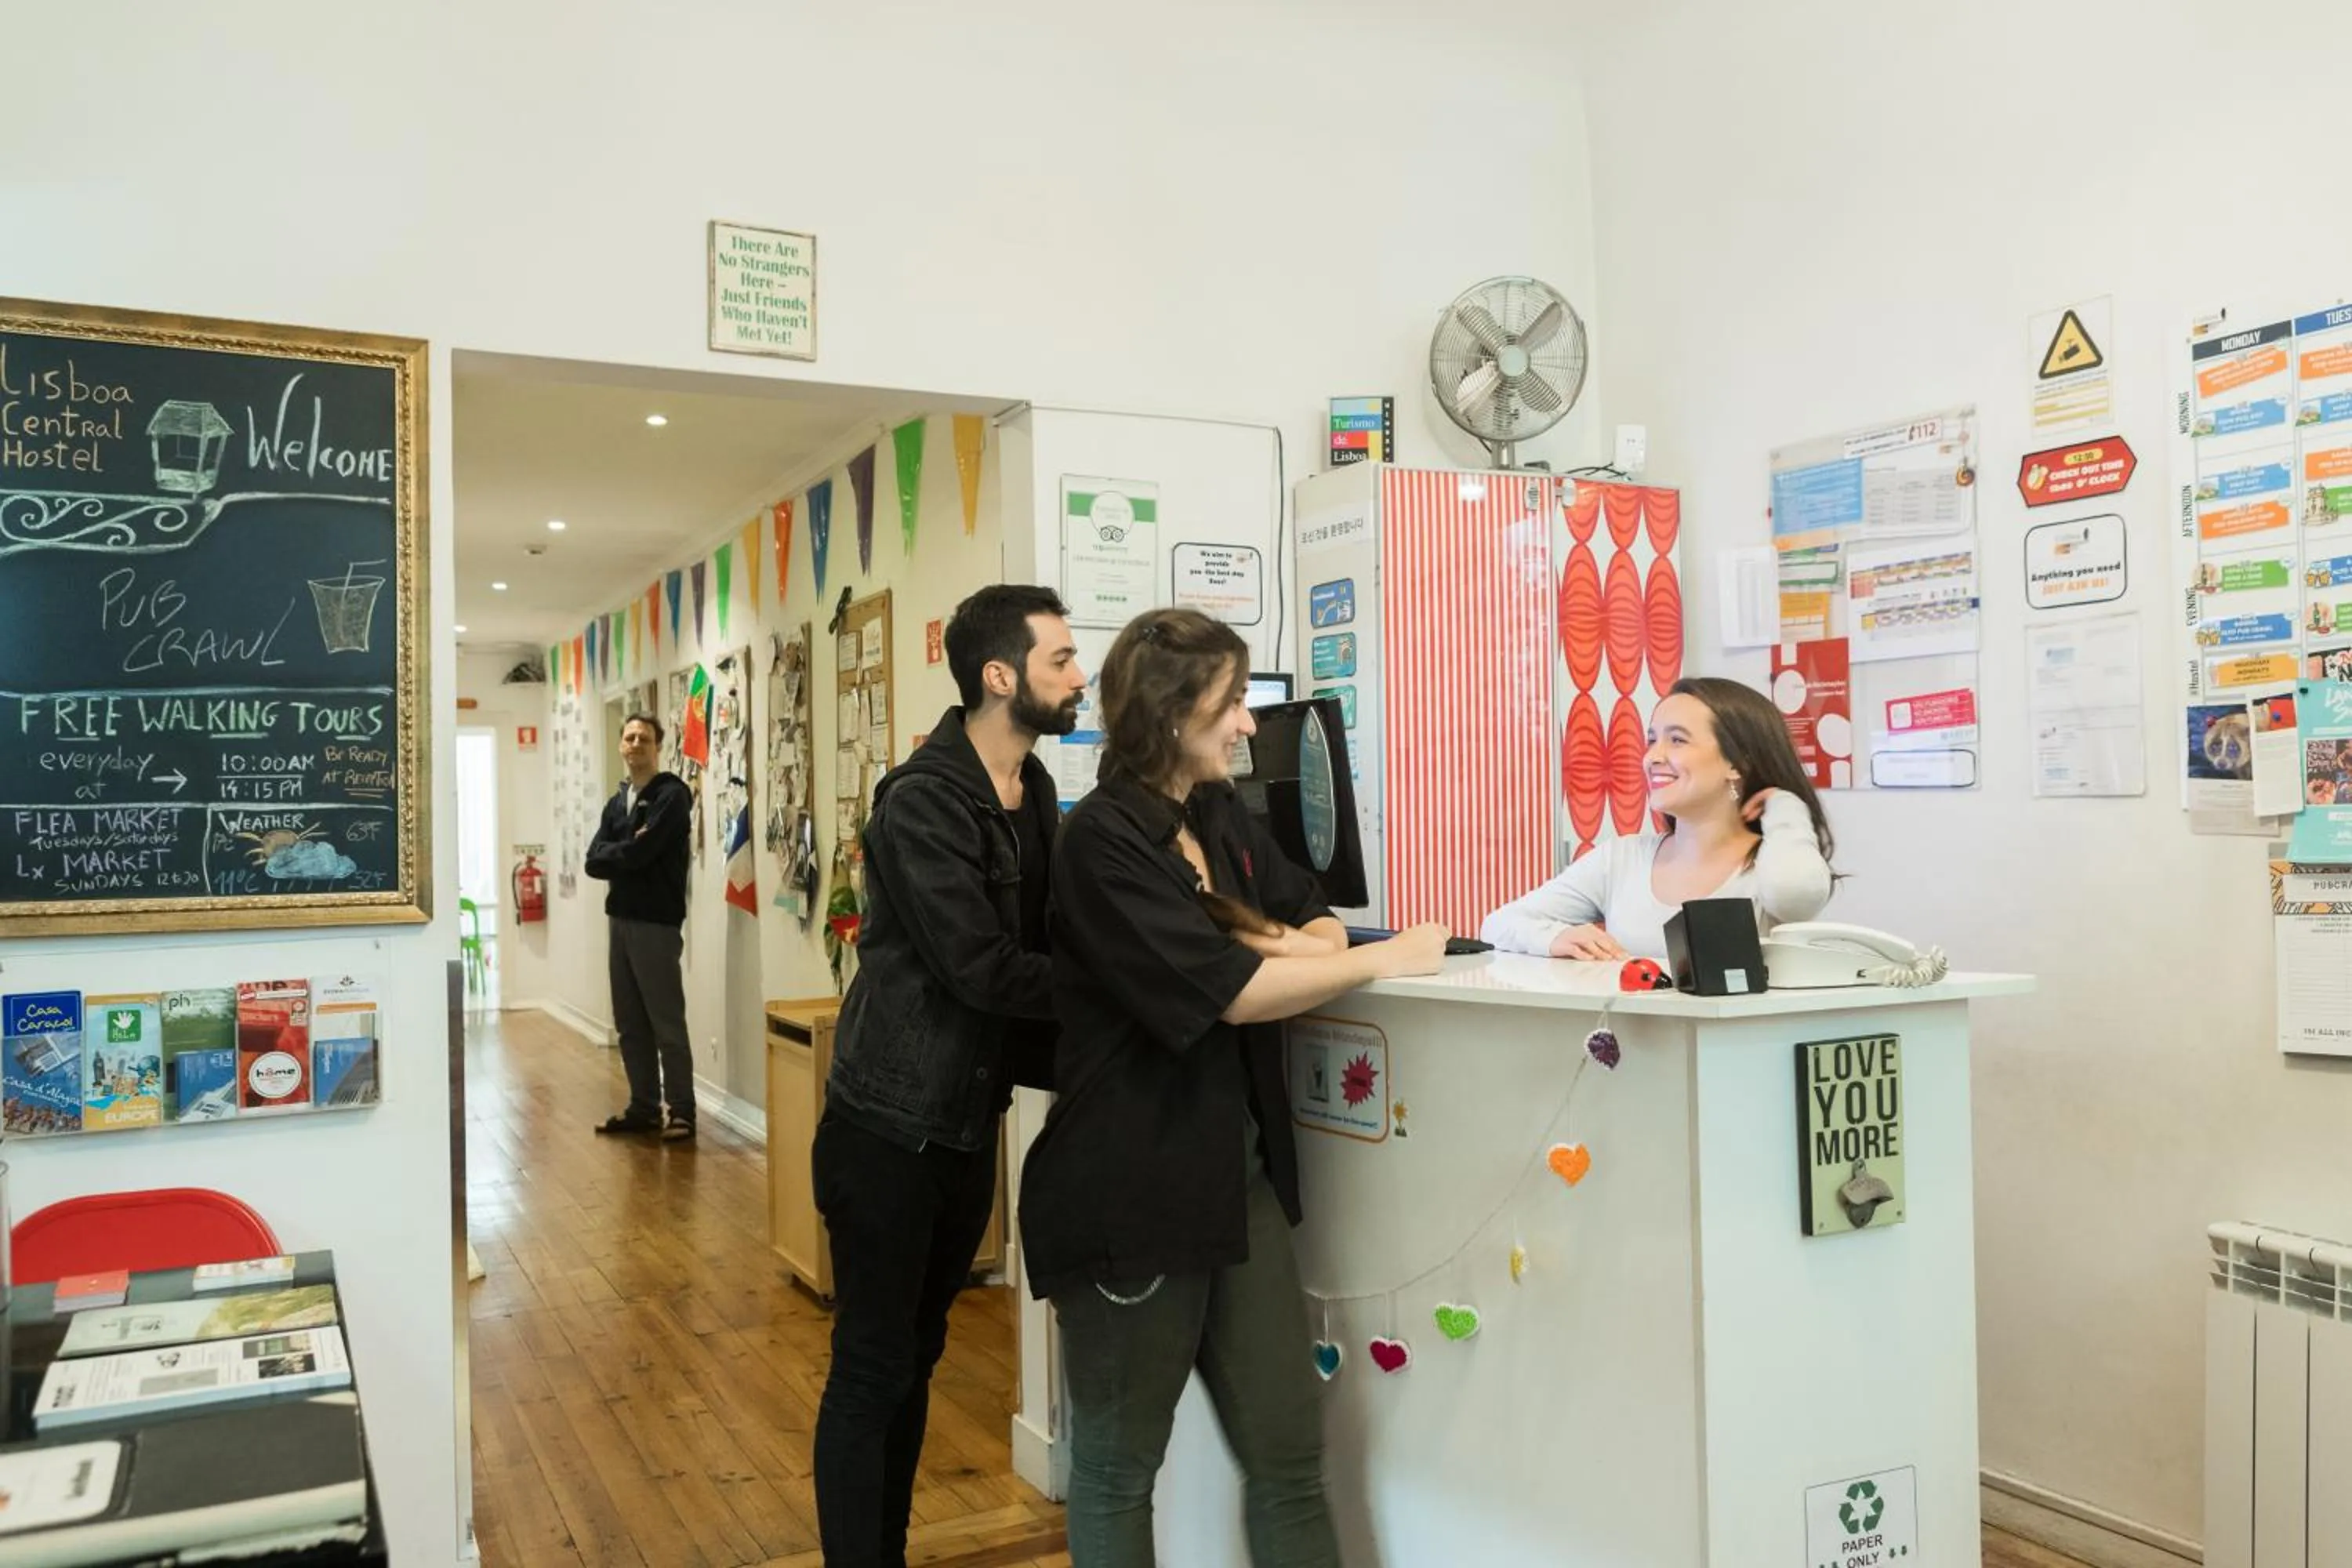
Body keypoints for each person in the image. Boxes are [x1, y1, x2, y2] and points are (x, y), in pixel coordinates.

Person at [1018, 608, 1446, 1568]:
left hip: (1237, 1185)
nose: (1252, 723)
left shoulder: (1215, 816)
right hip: (1128, 1197)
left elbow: (1319, 923)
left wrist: (1293, 944)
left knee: (1291, 1457)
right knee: (1120, 1467)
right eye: (1233, 702)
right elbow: (1237, 997)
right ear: (1174, 713)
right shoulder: (1102, 846)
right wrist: (1391, 961)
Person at [811, 583, 1087, 1568]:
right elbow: (983, 967)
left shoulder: (1038, 790)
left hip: (965, 1124)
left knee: (917, 1355)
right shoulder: (924, 801)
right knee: (873, 1367)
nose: (1078, 673)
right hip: (886, 1130)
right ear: (1000, 676)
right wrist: (1123, 984)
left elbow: (1055, 935)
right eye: (1061, 657)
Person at [1483, 675, 1834, 962]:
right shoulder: (1621, 858)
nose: (1653, 757)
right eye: (1651, 740)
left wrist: (1786, 807)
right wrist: (1557, 938)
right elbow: (1498, 924)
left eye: (1677, 740)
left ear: (1736, 763)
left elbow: (1796, 894)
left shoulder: (1774, 865)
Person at [583, 712, 696, 1138]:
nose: (636, 744)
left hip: (656, 923)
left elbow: (642, 856)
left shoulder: (672, 795)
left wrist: (625, 850)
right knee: (629, 1021)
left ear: (658, 746)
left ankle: (682, 1111)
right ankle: (644, 1106)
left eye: (644, 738)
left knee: (666, 1021)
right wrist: (630, 846)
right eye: (629, 737)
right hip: (620, 920)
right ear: (620, 746)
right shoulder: (618, 802)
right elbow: (594, 859)